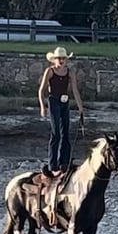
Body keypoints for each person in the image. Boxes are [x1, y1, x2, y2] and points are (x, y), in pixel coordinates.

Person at [38, 46, 85, 177]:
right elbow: (41, 90)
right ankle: (53, 165)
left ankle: (64, 163)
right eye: (59, 58)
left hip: (65, 102)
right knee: (56, 133)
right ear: (54, 59)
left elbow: (75, 90)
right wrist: (43, 106)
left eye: (63, 58)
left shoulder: (69, 72)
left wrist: (80, 107)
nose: (62, 60)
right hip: (54, 102)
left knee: (66, 132)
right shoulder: (50, 71)